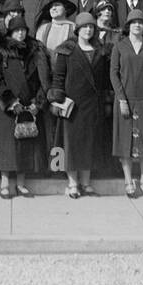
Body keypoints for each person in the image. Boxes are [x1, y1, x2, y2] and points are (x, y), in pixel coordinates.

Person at [48, 11, 109, 199]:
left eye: (91, 27)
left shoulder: (101, 51)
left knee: (89, 144)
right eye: (85, 27)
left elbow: (104, 79)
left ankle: (86, 182)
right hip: (73, 105)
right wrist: (59, 99)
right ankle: (73, 183)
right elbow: (58, 78)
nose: (88, 30)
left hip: (93, 105)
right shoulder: (67, 51)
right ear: (78, 30)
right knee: (71, 145)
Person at [109, 8, 143, 199]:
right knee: (126, 141)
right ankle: (128, 180)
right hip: (126, 99)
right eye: (134, 23)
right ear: (128, 26)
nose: (138, 26)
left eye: (141, 22)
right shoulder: (120, 46)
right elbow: (113, 73)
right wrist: (121, 98)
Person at [0, 10, 47, 198]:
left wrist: (36, 103)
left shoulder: (34, 51)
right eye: (16, 31)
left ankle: (21, 184)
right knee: (7, 145)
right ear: (10, 33)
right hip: (8, 108)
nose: (20, 34)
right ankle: (5, 183)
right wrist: (10, 102)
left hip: (28, 106)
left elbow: (41, 81)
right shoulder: (2, 52)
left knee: (26, 144)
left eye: (23, 30)